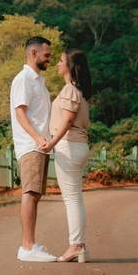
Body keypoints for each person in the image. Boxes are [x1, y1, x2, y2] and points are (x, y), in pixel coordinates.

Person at [10, 36, 58, 262]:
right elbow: (20, 113)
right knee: (29, 193)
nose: (49, 58)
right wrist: (38, 138)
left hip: (40, 146)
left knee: (35, 195)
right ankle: (27, 247)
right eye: (46, 55)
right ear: (33, 54)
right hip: (31, 145)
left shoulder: (39, 80)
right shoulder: (24, 79)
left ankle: (30, 244)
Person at [45, 49, 93, 263]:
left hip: (68, 147)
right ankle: (80, 246)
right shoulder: (78, 92)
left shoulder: (69, 90)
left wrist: (52, 143)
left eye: (61, 60)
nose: (57, 63)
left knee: (72, 199)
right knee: (76, 199)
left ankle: (76, 246)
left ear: (70, 67)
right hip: (77, 146)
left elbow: (66, 122)